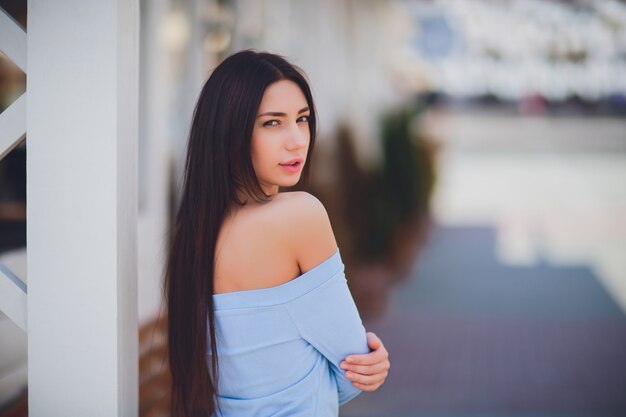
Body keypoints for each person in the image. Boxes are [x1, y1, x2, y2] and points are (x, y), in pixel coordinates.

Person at [164, 50, 390, 417]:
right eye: (272, 123)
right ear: (230, 131)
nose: (297, 140)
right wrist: (371, 364)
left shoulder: (194, 236)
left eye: (302, 120)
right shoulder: (299, 215)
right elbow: (355, 371)